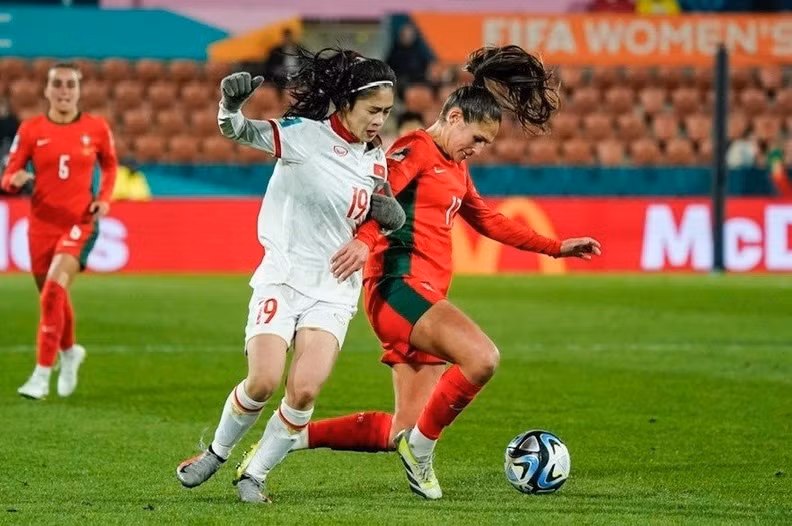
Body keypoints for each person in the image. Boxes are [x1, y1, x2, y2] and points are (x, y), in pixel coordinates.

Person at [291, 46, 602, 500]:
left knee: (401, 429)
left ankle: (286, 438)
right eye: (476, 138)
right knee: (482, 358)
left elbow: (488, 220)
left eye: (485, 145)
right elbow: (380, 199)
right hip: (399, 287)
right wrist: (365, 241)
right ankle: (421, 452)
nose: (477, 150)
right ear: (454, 117)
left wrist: (555, 248)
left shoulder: (455, 167)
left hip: (422, 294)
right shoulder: (414, 149)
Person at [175, 48, 405, 503]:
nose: (380, 120)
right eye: (373, 110)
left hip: (334, 289)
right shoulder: (303, 135)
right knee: (263, 381)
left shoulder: (375, 159)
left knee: (304, 390)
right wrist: (230, 105)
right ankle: (216, 453)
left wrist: (368, 238)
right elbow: (238, 130)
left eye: (386, 112)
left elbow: (378, 212)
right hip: (282, 277)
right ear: (347, 103)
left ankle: (254, 474)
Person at [1, 62, 117, 400]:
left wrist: (104, 198)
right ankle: (69, 352)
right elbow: (8, 174)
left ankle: (40, 375)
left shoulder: (96, 128)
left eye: (70, 85)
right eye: (58, 84)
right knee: (52, 296)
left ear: (78, 91)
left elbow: (110, 164)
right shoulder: (31, 130)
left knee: (53, 289)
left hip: (80, 222)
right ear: (47, 90)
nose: (64, 91)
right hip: (40, 226)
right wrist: (14, 180)